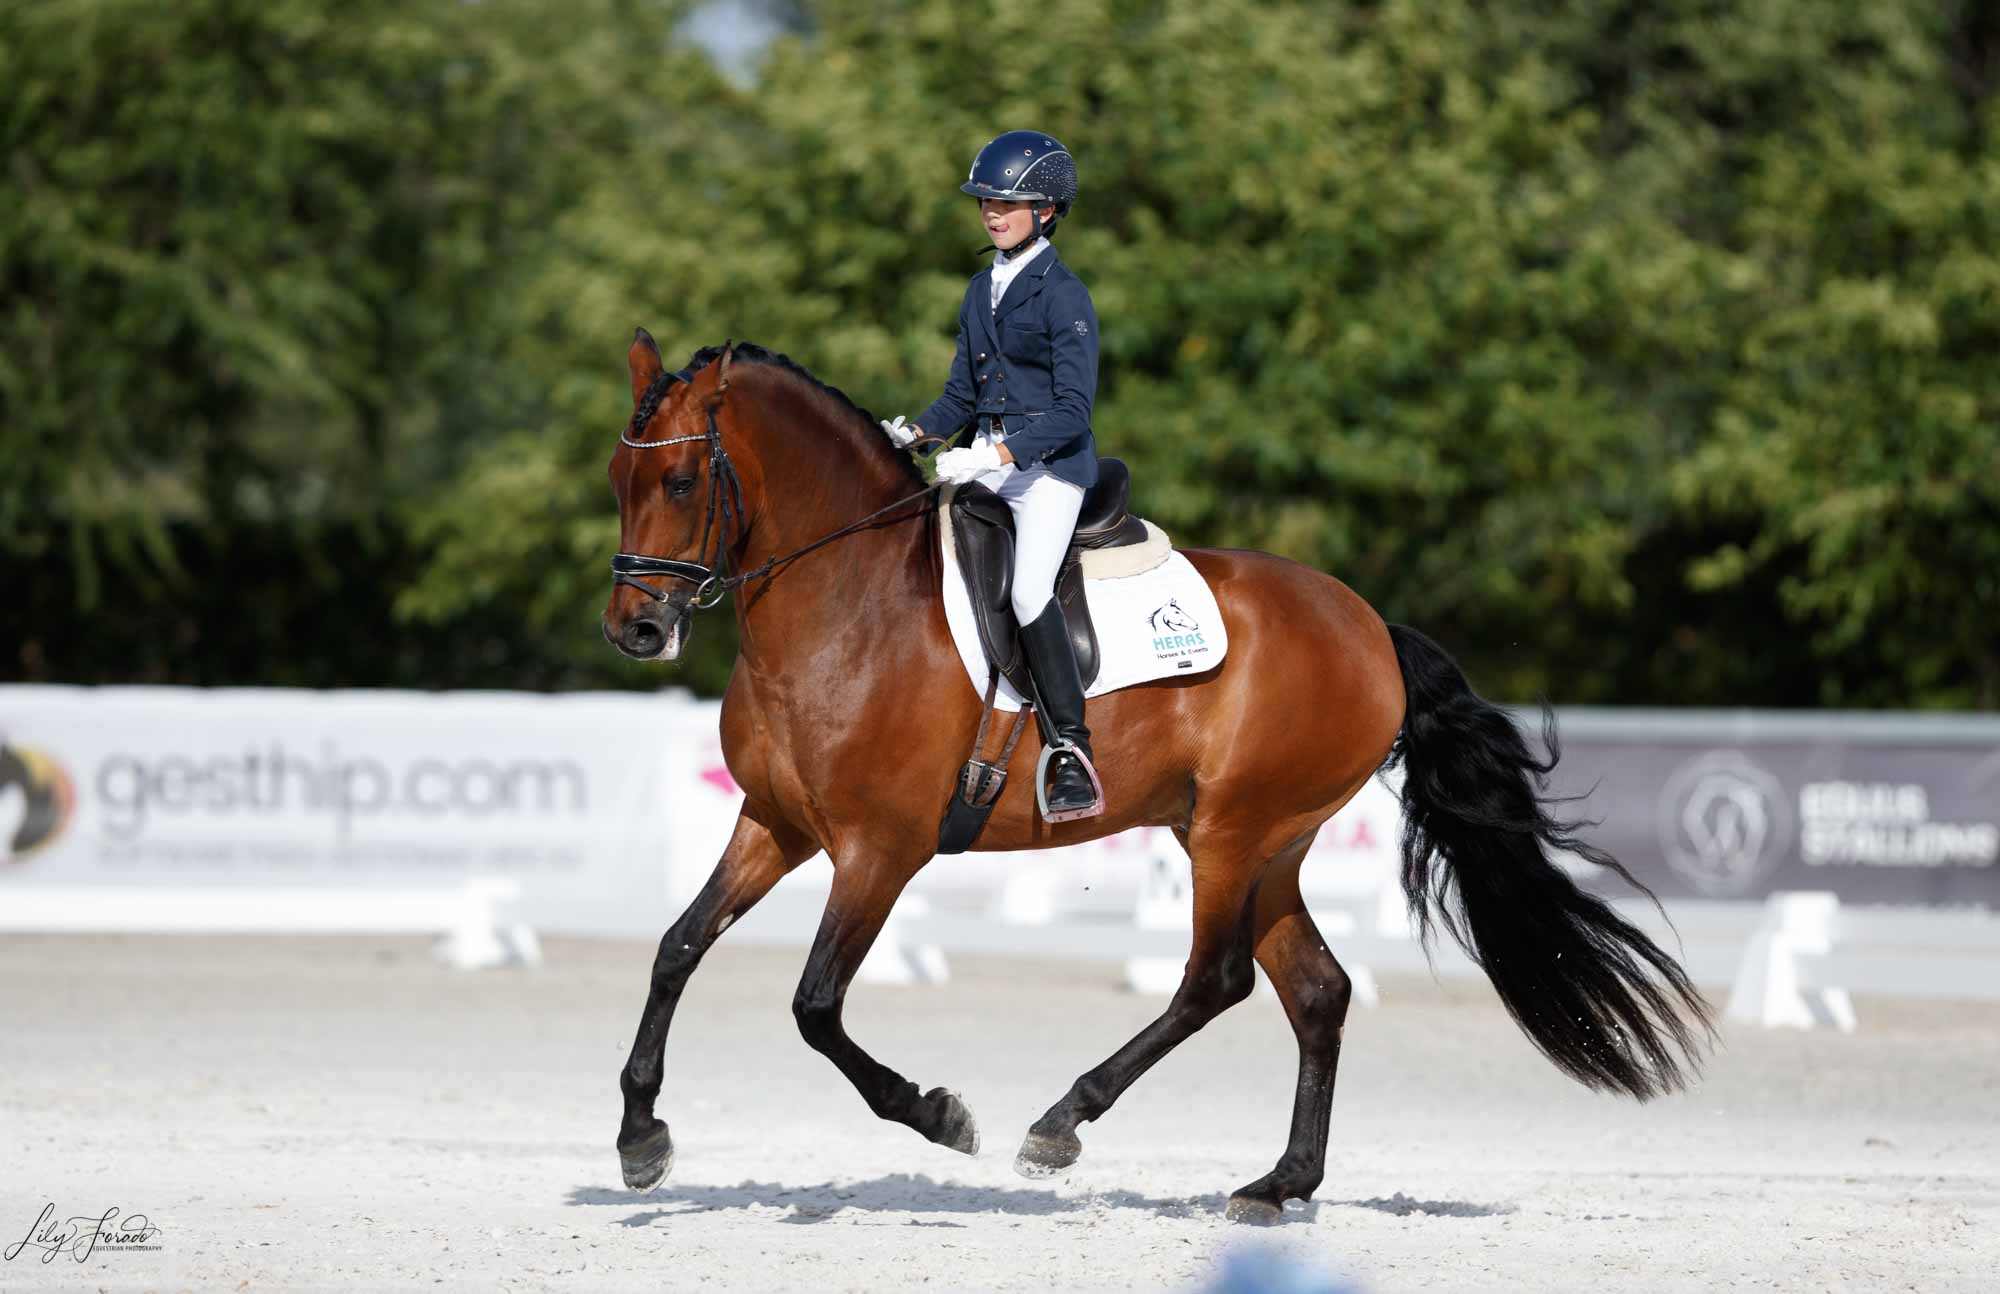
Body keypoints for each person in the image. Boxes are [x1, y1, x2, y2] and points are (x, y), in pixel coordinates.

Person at [880, 130, 1103, 821]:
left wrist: (997, 456)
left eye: (1008, 202)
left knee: (1030, 587)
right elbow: (960, 397)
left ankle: (1070, 747)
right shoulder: (982, 290)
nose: (992, 212)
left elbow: (1073, 409)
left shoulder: (1064, 296)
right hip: (987, 460)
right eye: (986, 200)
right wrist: (914, 432)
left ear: (1047, 209)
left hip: (1050, 473)